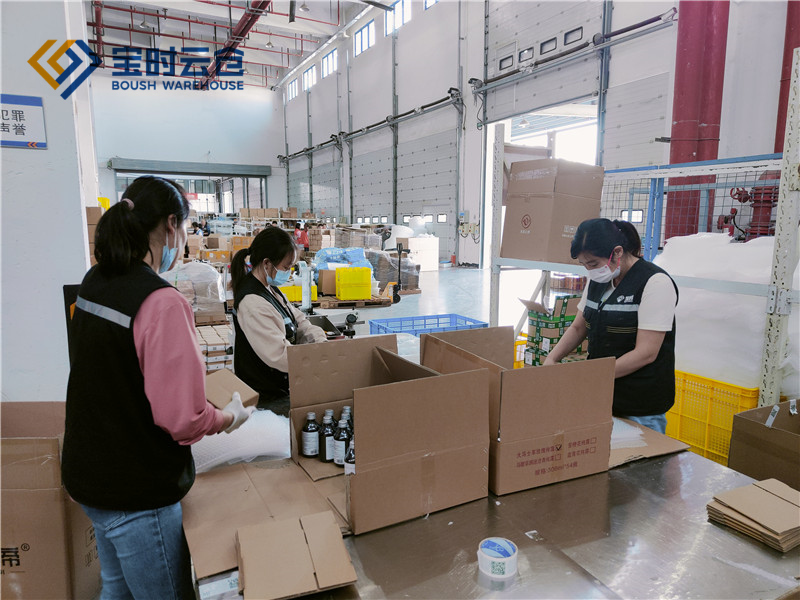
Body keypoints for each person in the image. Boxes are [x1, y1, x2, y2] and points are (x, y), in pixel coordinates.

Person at [62, 176, 255, 599]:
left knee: (116, 588)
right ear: (170, 225)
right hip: (136, 491)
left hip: (87, 473)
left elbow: (116, 370)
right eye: (184, 228)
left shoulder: (95, 280)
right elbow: (182, 420)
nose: (183, 240)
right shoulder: (161, 302)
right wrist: (228, 417)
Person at [543, 218, 678, 433]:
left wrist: (591, 376)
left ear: (617, 252)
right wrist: (552, 358)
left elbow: (646, 353)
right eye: (584, 265)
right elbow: (579, 327)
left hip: (640, 403)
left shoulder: (655, 283)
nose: (590, 271)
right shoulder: (598, 280)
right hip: (603, 395)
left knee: (638, 453)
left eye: (593, 264)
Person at [230, 227, 327, 415]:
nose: (289, 273)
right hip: (266, 399)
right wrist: (317, 359)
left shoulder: (270, 288)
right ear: (267, 263)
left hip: (282, 388)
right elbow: (280, 356)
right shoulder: (252, 303)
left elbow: (298, 320)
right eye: (286, 267)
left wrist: (320, 341)